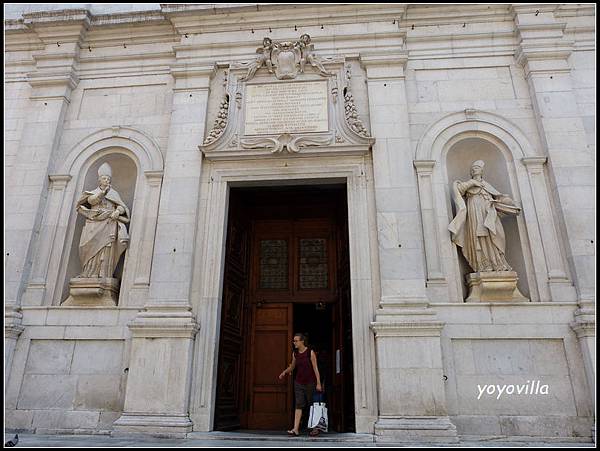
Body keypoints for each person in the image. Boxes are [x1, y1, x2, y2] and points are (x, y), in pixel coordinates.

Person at [448, 160, 520, 273]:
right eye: (473, 168)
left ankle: (496, 263)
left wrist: (510, 202)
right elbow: (458, 190)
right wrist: (472, 183)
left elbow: (499, 197)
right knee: (478, 237)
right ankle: (482, 265)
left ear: (482, 171)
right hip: (474, 213)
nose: (474, 169)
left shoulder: (487, 185)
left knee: (493, 235)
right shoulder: (468, 184)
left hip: (488, 213)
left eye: (477, 167)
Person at [75, 163, 130, 278]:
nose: (106, 180)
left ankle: (103, 273)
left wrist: (117, 212)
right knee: (90, 246)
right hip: (94, 223)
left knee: (106, 248)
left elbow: (121, 206)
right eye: (104, 178)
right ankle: (88, 272)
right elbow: (92, 201)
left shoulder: (113, 193)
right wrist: (103, 193)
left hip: (109, 223)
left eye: (108, 179)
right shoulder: (93, 193)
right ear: (99, 180)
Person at [278, 332, 322, 437]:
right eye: (294, 341)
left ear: (302, 341)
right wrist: (284, 372)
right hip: (299, 383)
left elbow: (316, 368)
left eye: (296, 341)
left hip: (310, 383)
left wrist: (319, 383)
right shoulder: (295, 354)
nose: (294, 343)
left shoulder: (310, 353)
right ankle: (295, 429)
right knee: (299, 404)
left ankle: (315, 428)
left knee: (312, 405)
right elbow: (293, 367)